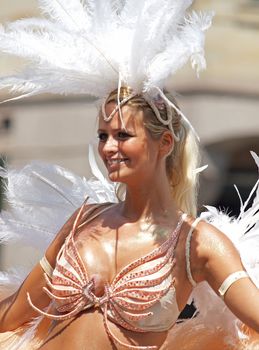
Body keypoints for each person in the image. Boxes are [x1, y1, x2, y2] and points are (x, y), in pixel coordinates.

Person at [0, 1, 259, 349]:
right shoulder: (82, 221)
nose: (108, 148)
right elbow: (13, 316)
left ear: (164, 142)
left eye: (123, 135)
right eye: (102, 136)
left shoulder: (197, 243)